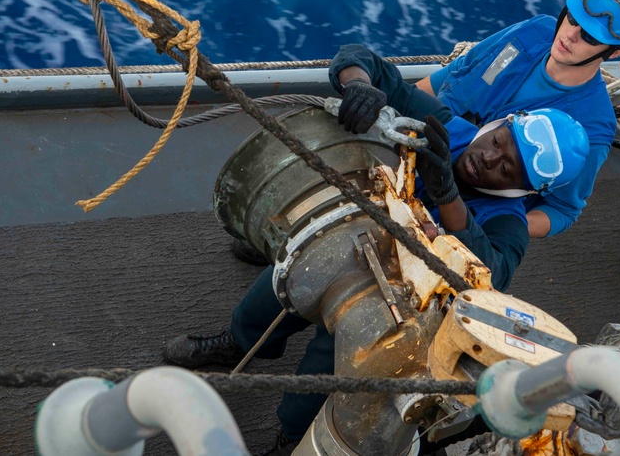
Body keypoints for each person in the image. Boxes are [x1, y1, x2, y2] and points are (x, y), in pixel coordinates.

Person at [163, 56, 590, 455]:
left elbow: (493, 275)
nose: (489, 159)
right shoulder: (444, 127)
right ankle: (238, 343)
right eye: (499, 141)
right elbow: (362, 59)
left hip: (386, 296)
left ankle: (288, 437)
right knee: (270, 294)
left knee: (319, 373)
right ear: (498, 125)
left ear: (526, 191)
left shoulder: (509, 222)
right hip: (341, 240)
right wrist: (359, 85)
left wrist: (448, 198)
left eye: (508, 169)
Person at [339, 0, 620, 240]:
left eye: (590, 37)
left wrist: (469, 227)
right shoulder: (534, 32)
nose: (570, 35)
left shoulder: (592, 127)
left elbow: (562, 210)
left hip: (445, 214)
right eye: (573, 19)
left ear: (616, 52)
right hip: (395, 155)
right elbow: (443, 80)